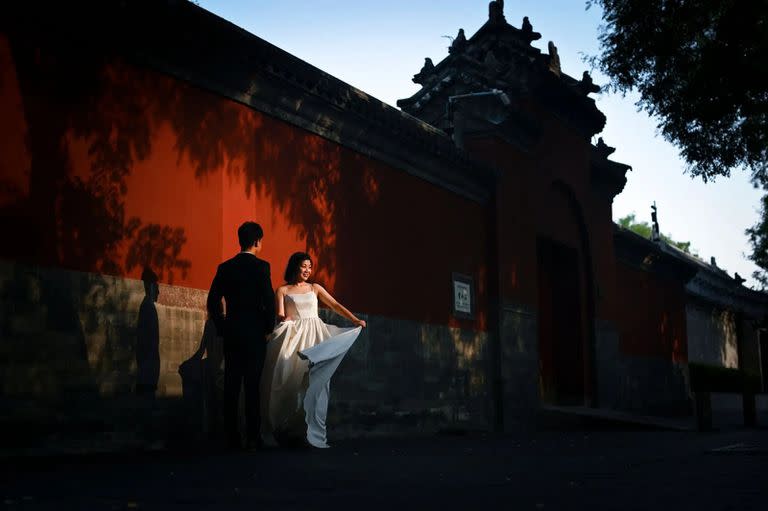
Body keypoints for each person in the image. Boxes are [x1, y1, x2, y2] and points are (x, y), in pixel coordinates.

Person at [261, 252, 365, 448]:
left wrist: (354, 320)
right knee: (291, 382)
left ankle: (314, 433)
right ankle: (290, 430)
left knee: (317, 382)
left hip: (315, 337)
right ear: (294, 267)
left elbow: (334, 304)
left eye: (310, 266)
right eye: (304, 266)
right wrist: (284, 320)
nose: (308, 270)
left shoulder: (315, 288)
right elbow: (281, 315)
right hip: (295, 339)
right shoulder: (282, 290)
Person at [207, 221, 275, 450]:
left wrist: (222, 326)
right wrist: (268, 328)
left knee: (231, 384)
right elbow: (269, 300)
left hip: (233, 331)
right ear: (257, 241)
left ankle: (231, 437)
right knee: (252, 385)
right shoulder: (262, 267)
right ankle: (253, 437)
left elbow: (213, 301)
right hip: (255, 332)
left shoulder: (225, 268)